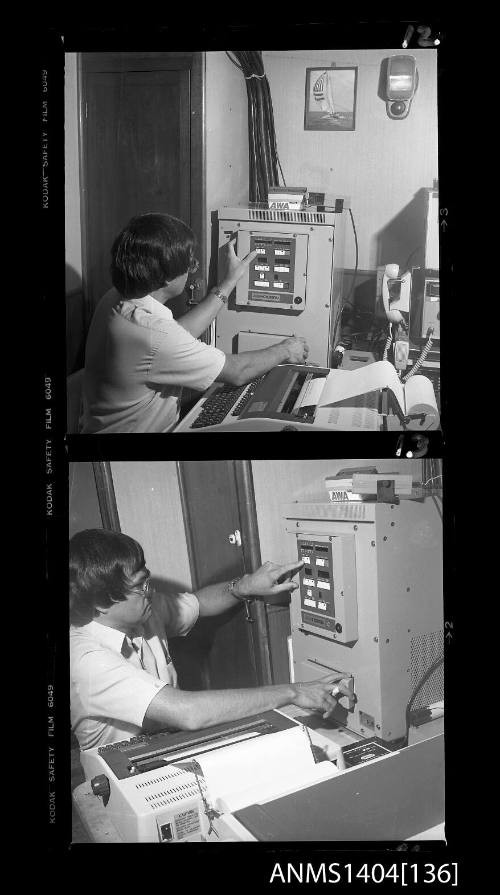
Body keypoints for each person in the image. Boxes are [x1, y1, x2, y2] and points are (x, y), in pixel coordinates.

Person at [70, 529, 351, 759]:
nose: (151, 590)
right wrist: (292, 692)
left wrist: (245, 586)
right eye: (141, 585)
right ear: (99, 601)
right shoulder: (86, 659)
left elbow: (197, 603)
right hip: (124, 772)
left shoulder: (143, 610)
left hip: (172, 746)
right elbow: (189, 713)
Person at [81, 213, 309, 433]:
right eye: (190, 264)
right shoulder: (153, 334)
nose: (192, 270)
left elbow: (179, 335)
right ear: (167, 278)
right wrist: (286, 349)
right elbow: (238, 372)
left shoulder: (117, 298)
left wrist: (229, 282)